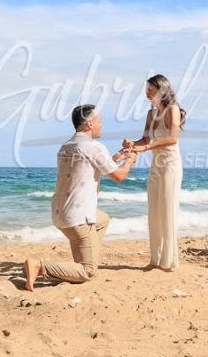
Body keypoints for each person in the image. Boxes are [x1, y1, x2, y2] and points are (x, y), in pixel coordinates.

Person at [23, 104, 136, 291]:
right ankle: (40, 266)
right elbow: (119, 176)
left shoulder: (66, 146)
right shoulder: (94, 147)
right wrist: (130, 160)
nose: (101, 125)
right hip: (78, 219)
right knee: (88, 272)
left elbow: (88, 166)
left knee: (103, 219)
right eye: (99, 121)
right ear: (90, 124)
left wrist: (115, 158)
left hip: (60, 214)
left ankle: (84, 254)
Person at [123, 74, 185, 272]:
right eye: (146, 90)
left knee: (168, 211)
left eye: (150, 90)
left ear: (162, 90)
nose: (147, 94)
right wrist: (133, 144)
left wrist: (145, 147)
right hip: (156, 166)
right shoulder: (151, 114)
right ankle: (155, 259)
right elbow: (145, 139)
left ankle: (170, 261)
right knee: (154, 213)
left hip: (170, 165)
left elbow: (172, 139)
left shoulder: (173, 109)